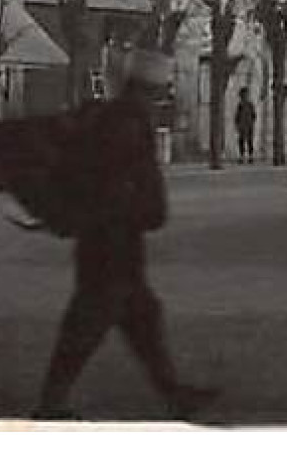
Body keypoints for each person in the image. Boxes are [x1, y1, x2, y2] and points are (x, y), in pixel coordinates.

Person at [34, 46, 217, 420]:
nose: (159, 101)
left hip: (109, 241)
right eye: (159, 94)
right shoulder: (128, 124)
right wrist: (147, 210)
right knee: (88, 324)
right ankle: (50, 405)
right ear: (149, 91)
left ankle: (172, 393)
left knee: (142, 319)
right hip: (113, 241)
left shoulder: (112, 117)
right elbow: (121, 183)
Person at [233, 88, 257, 164]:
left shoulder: (250, 105)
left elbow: (254, 115)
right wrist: (237, 125)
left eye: (246, 94)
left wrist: (251, 123)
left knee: (249, 141)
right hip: (242, 126)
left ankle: (250, 157)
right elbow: (237, 116)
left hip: (249, 126)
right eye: (244, 95)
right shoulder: (240, 105)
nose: (245, 96)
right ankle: (242, 157)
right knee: (241, 142)